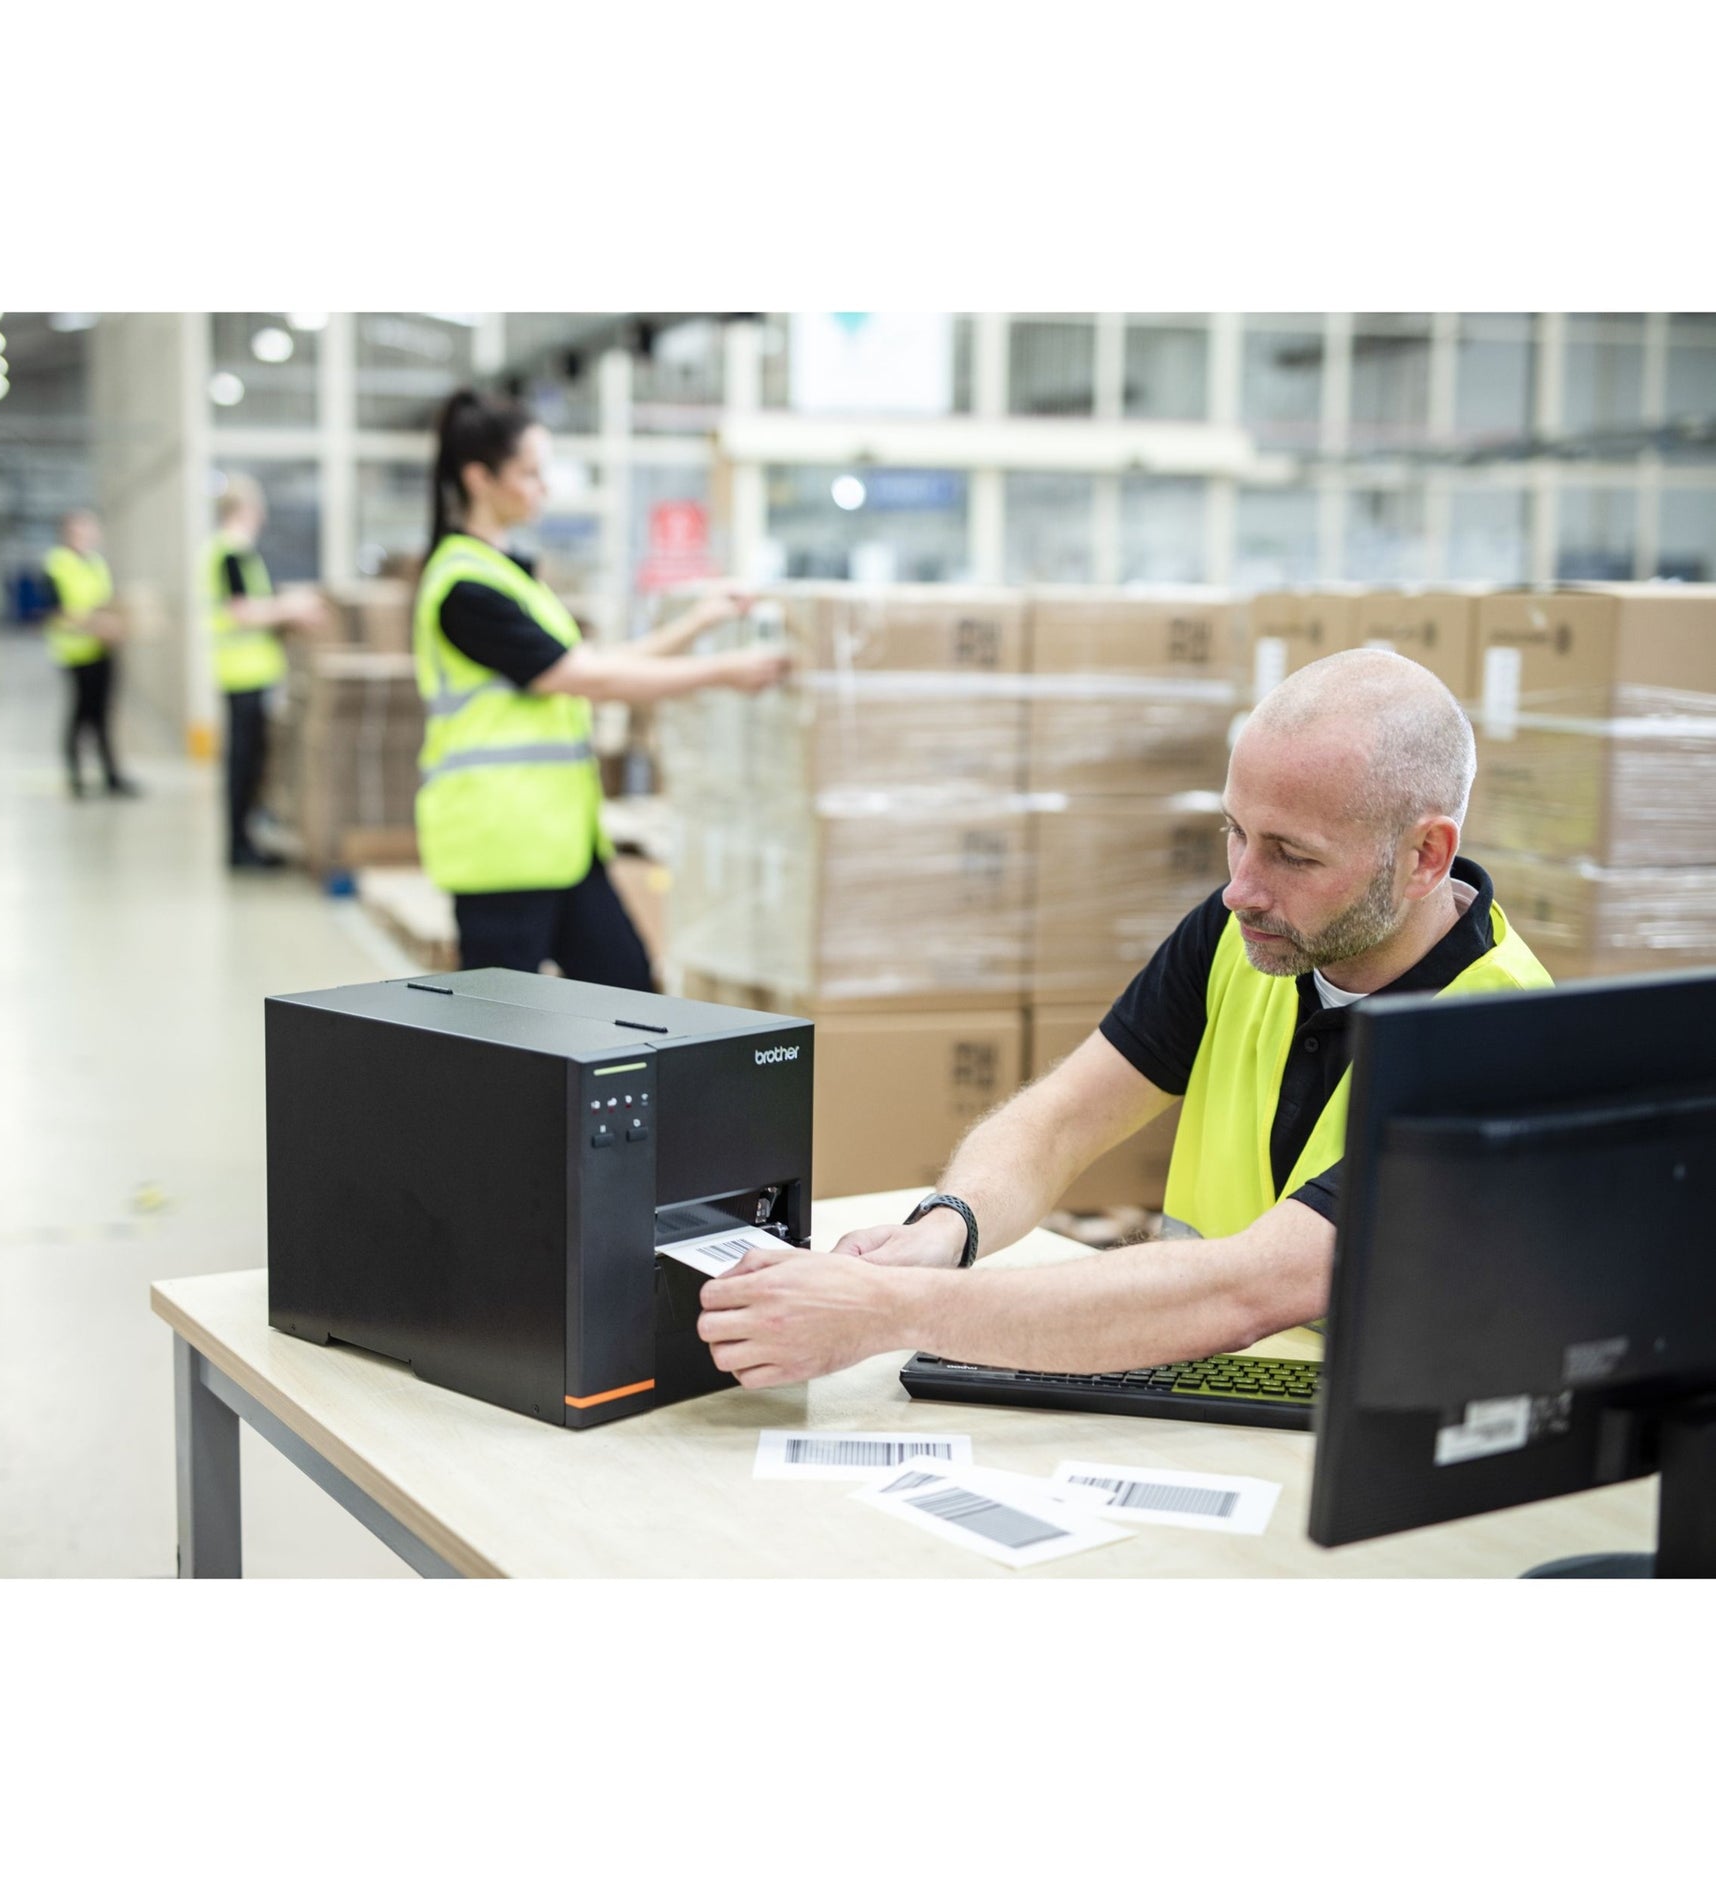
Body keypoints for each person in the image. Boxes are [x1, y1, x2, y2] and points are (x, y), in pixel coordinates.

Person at [695, 647, 1555, 1386]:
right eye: (1235, 831)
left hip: (1374, 1449)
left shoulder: (1499, 1036)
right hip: (1219, 1398)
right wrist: (948, 1231)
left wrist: (888, 1310)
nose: (1241, 886)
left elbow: (1248, 1287)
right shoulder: (1245, 932)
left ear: (1424, 856)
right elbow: (1062, 1120)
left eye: (1293, 854)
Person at [414, 388, 791, 988]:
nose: (544, 488)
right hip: (502, 846)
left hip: (561, 840)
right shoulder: (465, 586)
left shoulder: (511, 577)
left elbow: (593, 663)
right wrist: (723, 673)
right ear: (479, 479)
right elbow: (584, 679)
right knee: (500, 1038)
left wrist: (700, 623)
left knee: (631, 994)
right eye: (530, 474)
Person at [205, 475, 327, 868]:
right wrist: (290, 609)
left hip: (246, 671)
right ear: (246, 511)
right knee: (243, 763)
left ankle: (244, 839)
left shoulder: (230, 553)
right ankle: (239, 846)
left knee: (249, 760)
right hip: (243, 672)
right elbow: (240, 613)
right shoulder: (231, 553)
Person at [42, 510, 136, 798]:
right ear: (70, 532)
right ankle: (76, 778)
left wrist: (114, 624)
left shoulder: (96, 564)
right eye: (83, 528)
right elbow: (57, 612)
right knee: (80, 715)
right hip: (75, 653)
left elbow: (105, 602)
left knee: (103, 716)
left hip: (102, 650)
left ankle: (111, 776)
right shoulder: (57, 565)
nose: (90, 533)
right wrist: (95, 624)